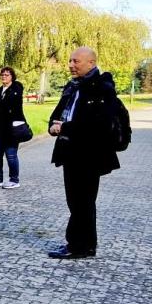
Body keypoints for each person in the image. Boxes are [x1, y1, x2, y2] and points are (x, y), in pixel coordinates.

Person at [47, 47, 121, 259]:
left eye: (76, 61)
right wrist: (54, 125)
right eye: (70, 60)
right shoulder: (73, 86)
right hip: (70, 153)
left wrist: (65, 128)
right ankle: (83, 244)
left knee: (83, 201)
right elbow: (59, 114)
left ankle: (79, 246)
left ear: (91, 63)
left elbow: (100, 124)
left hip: (89, 155)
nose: (71, 64)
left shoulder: (102, 87)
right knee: (76, 201)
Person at [0, 66, 26, 189]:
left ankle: (14, 179)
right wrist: (0, 104)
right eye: (2, 75)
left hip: (11, 131)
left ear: (12, 77)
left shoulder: (17, 88)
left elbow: (11, 103)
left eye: (7, 75)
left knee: (11, 155)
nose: (4, 77)